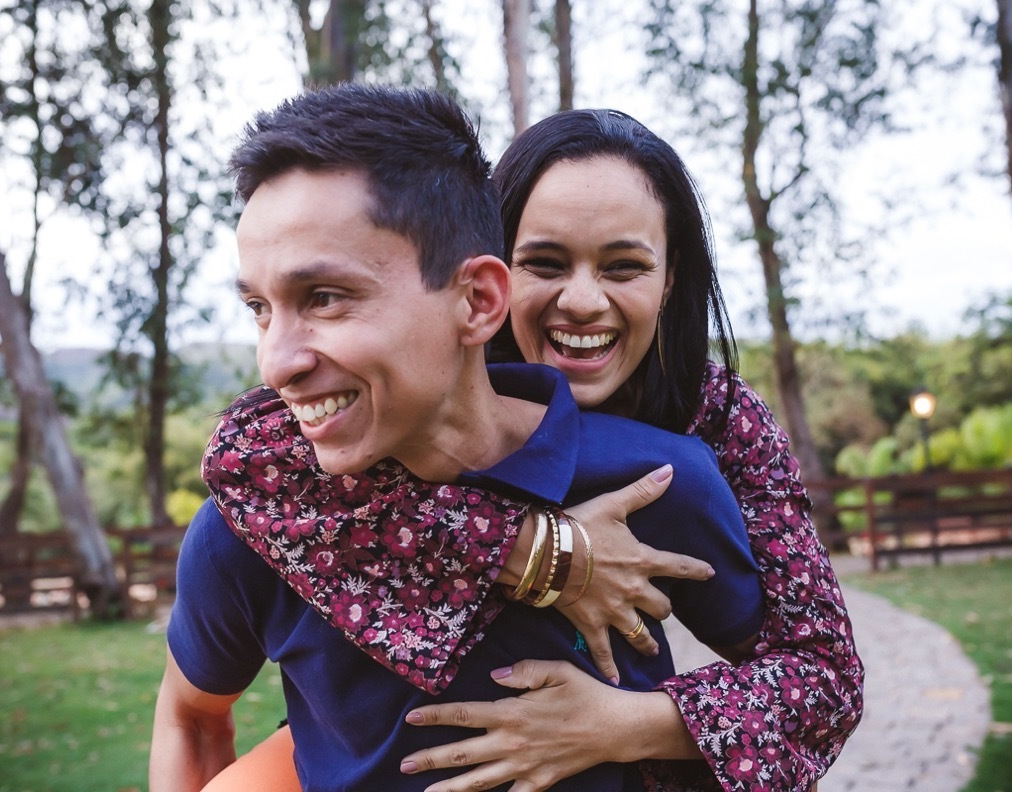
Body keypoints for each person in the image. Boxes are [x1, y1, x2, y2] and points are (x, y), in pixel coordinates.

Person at [203, 106, 864, 790]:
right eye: (544, 263)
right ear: (486, 278)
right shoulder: (407, 387)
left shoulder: (717, 421)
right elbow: (245, 459)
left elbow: (826, 677)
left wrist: (624, 724)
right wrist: (539, 551)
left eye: (624, 267)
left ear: (670, 279)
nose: (582, 300)